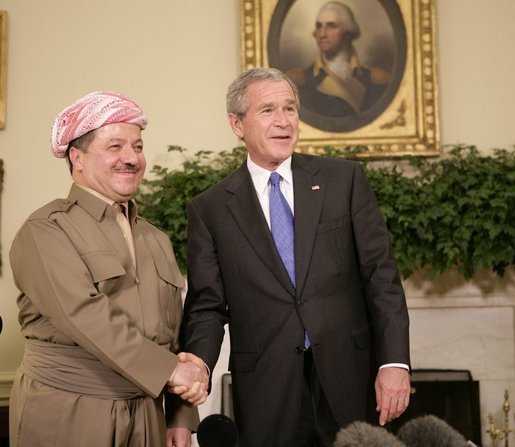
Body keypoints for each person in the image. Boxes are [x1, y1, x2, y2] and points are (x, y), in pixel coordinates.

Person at [179, 68, 411, 446]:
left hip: (349, 376)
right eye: (268, 110)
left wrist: (394, 363)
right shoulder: (210, 209)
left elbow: (381, 278)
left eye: (290, 108)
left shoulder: (344, 180)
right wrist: (198, 363)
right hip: (266, 388)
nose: (284, 121)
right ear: (237, 124)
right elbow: (207, 305)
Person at [9, 91, 209, 447]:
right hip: (69, 408)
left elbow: (171, 333)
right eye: (115, 147)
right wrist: (172, 372)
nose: (131, 158)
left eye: (137, 146)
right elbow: (86, 315)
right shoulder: (45, 231)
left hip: (147, 412)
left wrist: (180, 415)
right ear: (78, 157)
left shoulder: (155, 237)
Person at [287, 1, 392, 118]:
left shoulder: (377, 79)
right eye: (319, 26)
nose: (322, 34)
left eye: (331, 26)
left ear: (348, 32)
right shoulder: (298, 81)